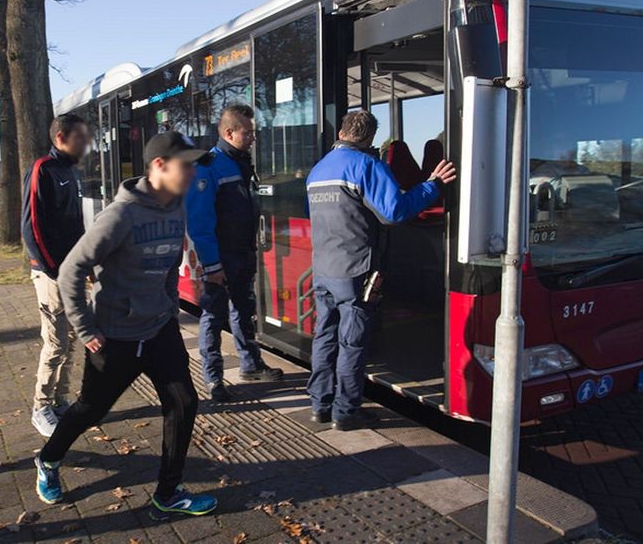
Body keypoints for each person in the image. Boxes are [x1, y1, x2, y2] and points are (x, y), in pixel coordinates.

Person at [34, 131, 218, 518]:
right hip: (114, 335)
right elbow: (70, 270)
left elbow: (171, 261)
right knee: (90, 409)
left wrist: (168, 304)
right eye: (184, 165)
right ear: (159, 167)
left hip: (159, 329)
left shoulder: (177, 207)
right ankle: (48, 460)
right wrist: (85, 328)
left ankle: (168, 493)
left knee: (184, 402)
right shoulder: (119, 216)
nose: (191, 173)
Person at [305, 111, 456, 431]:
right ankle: (345, 412)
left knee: (325, 338)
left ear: (344, 132)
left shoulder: (318, 170)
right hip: (356, 270)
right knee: (352, 343)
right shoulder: (365, 166)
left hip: (323, 269)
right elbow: (393, 211)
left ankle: (320, 404)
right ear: (370, 138)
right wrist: (434, 185)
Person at [186, 105, 283, 402]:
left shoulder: (241, 162)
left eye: (253, 131)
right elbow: (199, 221)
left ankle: (250, 365)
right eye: (248, 132)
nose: (253, 137)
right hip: (220, 257)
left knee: (244, 310)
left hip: (242, 252)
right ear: (229, 133)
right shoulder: (208, 166)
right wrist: (212, 265)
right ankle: (214, 379)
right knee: (213, 317)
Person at [22, 114, 90, 436]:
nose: (85, 144)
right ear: (61, 137)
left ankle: (61, 399)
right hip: (50, 274)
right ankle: (41, 405)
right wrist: (53, 271)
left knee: (72, 337)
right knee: (55, 341)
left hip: (71, 271)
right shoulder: (43, 170)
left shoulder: (70, 171)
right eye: (80, 138)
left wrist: (82, 265)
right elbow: (31, 227)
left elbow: (75, 227)